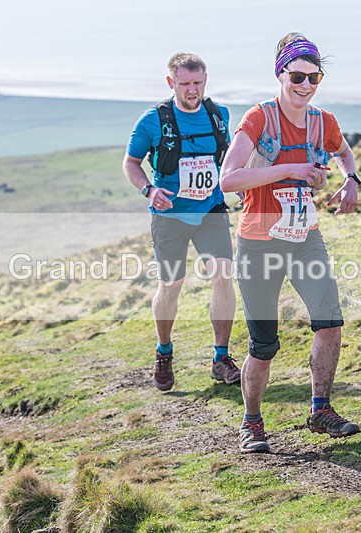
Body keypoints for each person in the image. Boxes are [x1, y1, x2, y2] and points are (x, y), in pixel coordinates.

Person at [219, 33, 361, 453]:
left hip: (304, 239)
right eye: (297, 75)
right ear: (281, 73)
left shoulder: (324, 121)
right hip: (258, 242)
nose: (305, 84)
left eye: (313, 77)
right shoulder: (259, 118)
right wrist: (293, 169)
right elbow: (228, 180)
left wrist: (350, 181)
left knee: (330, 324)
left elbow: (345, 154)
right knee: (264, 346)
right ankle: (252, 423)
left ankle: (320, 410)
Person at [123, 52, 240, 391]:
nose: (193, 90)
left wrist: (242, 187)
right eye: (185, 83)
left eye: (198, 83)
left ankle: (221, 357)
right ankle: (164, 351)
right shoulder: (152, 120)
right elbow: (131, 163)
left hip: (210, 210)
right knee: (171, 286)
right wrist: (149, 190)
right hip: (170, 214)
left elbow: (229, 156)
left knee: (223, 274)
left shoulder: (219, 115)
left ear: (206, 80)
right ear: (170, 82)